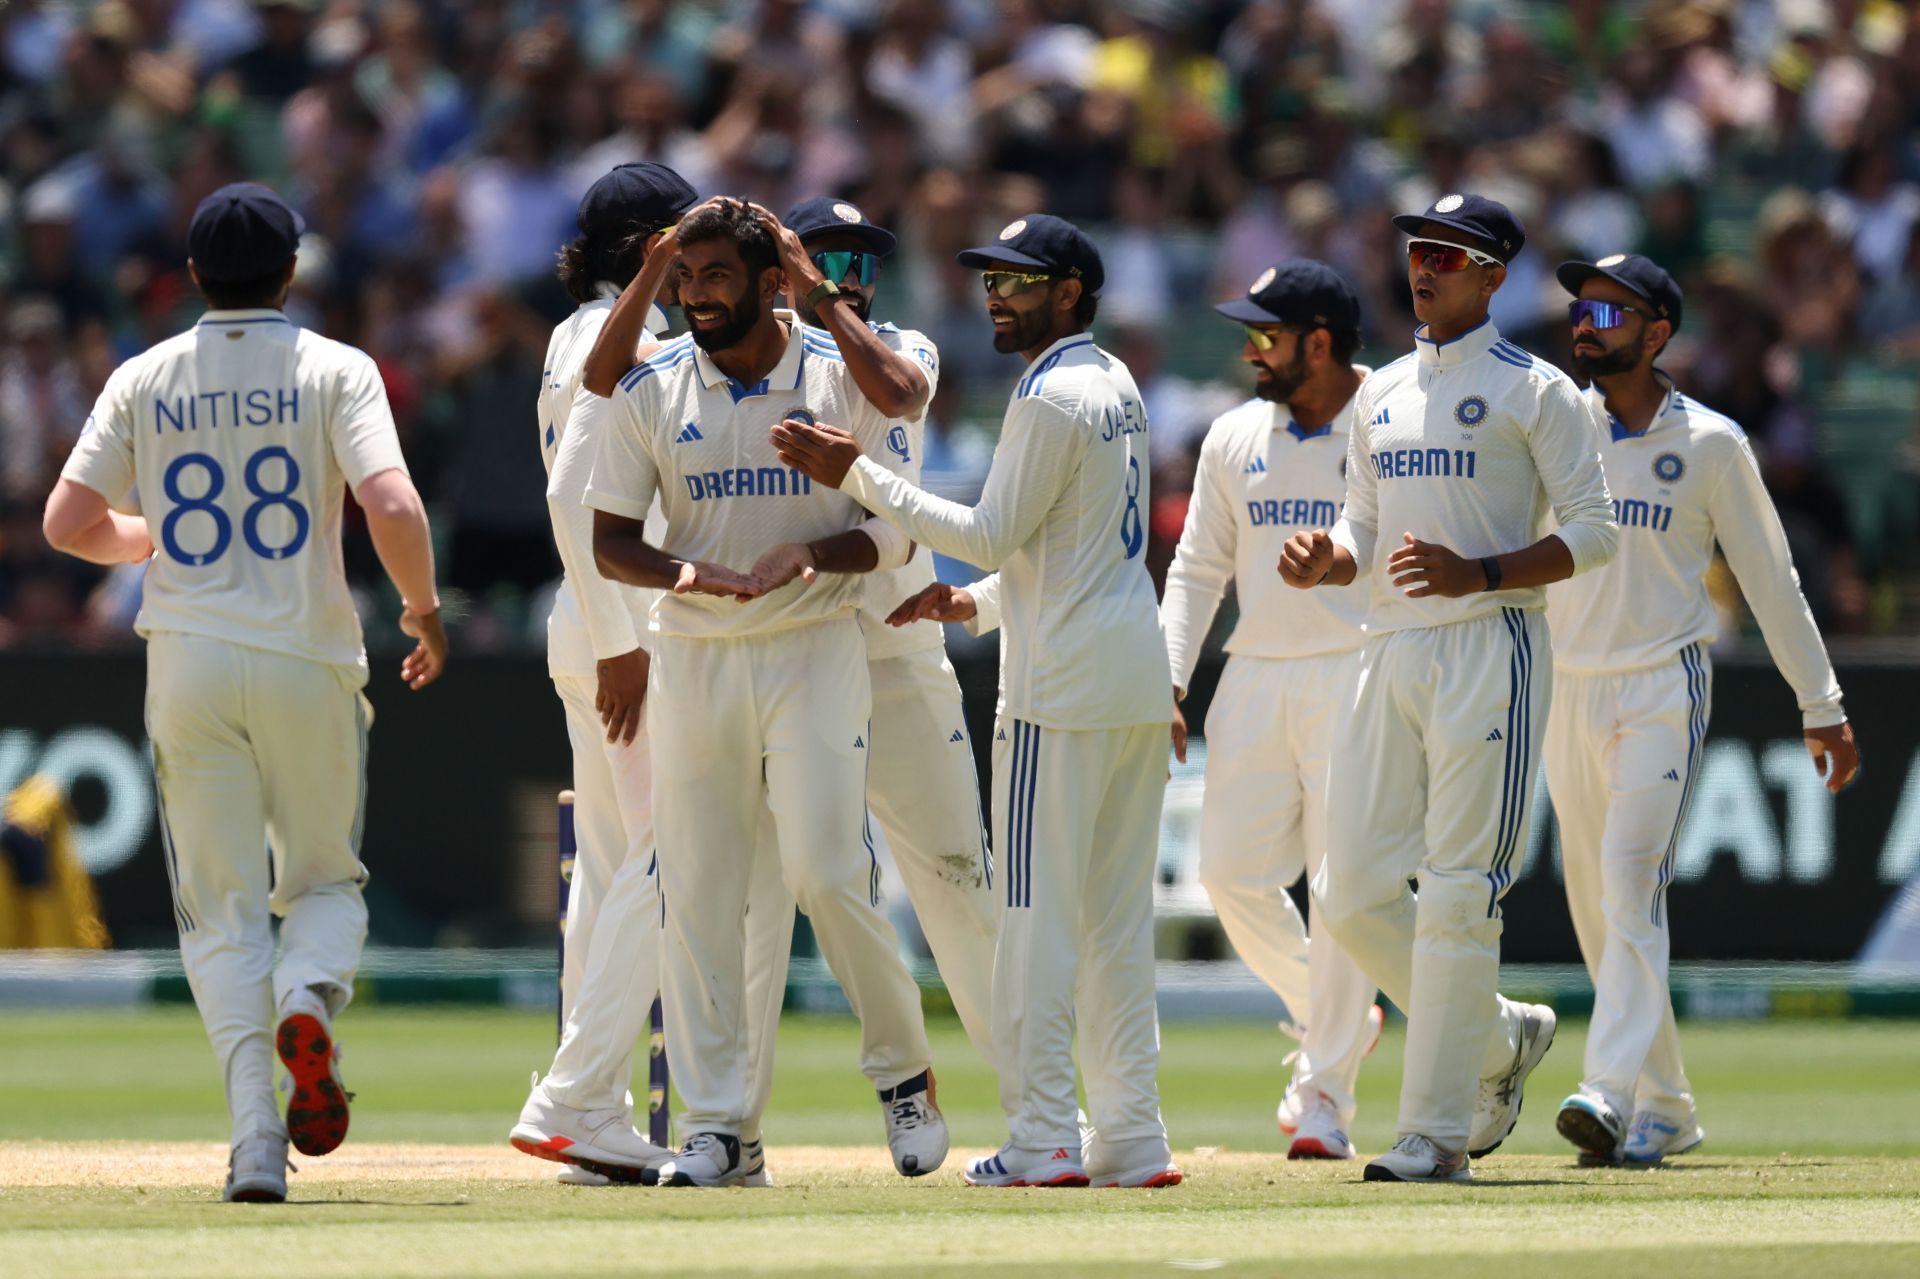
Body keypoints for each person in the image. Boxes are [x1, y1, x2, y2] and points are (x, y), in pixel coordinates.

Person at [41, 183, 446, 1203]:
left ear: (191, 278)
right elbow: (389, 498)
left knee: (219, 911)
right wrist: (425, 609)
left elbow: (65, 521)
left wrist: (144, 539)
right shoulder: (334, 366)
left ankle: (256, 1142)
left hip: (189, 655)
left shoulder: (147, 373)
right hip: (308, 653)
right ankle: (306, 996)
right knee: (321, 880)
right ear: (292, 272)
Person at [776, 214, 1180, 1190]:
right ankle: (1131, 1136)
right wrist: (973, 603)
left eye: (1020, 281)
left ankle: (1043, 1137)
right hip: (1132, 674)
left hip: (1062, 693)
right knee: (1117, 922)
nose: (998, 295)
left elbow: (992, 530)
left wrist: (854, 471)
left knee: (1036, 917)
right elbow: (1070, 547)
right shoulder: (1117, 381)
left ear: (1071, 292)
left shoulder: (1049, 394)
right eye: (992, 279)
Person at [581, 198, 946, 1188]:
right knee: (697, 894)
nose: (698, 295)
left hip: (812, 644)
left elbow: (898, 526)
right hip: (696, 656)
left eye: (717, 277)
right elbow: (610, 540)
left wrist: (811, 552)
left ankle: (905, 1077)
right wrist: (693, 578)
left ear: (768, 281)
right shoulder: (654, 384)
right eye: (685, 277)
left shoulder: (836, 374)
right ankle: (718, 1127)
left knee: (829, 872)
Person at [1279, 194, 1620, 1183]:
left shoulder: (1537, 390)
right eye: (1418, 250)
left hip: (1492, 644)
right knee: (1348, 895)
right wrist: (1328, 559)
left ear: (1493, 276)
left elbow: (1596, 531)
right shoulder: (1379, 392)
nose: (1423, 267)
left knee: (1460, 892)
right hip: (1389, 648)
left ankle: (1435, 1134)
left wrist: (1485, 571)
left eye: (1447, 255)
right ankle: (1494, 1036)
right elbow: (1365, 531)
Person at [507, 166, 791, 1189]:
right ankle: (578, 1096)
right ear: (652, 245)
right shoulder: (611, 340)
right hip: (628, 635)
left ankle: (594, 1117)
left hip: (600, 626)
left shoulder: (577, 331)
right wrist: (621, 635)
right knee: (674, 856)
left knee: (622, 874)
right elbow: (575, 495)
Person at [1545, 254, 1861, 1165]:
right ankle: (1669, 1104)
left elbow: (1772, 577)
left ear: (1658, 333)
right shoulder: (1554, 427)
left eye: (1610, 311)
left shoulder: (1714, 442)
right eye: (1581, 308)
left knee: (1632, 882)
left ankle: (1606, 1091)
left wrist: (1822, 702)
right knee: (1597, 907)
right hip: (1569, 681)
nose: (1586, 322)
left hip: (1662, 682)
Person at [1162, 261, 1382, 1161]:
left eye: (1267, 336)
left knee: (1341, 892)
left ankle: (1327, 1093)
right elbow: (1197, 569)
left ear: (1318, 342)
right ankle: (1332, 1016)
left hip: (1358, 670)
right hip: (1254, 673)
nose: (1251, 351)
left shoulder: (1389, 418)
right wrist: (1168, 678)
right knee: (1228, 876)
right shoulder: (1233, 435)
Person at [777, 196, 998, 1065]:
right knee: (807, 881)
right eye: (830, 259)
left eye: (863, 263)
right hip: (787, 654)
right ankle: (894, 1070)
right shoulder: (753, 365)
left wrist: (821, 296)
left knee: (956, 876)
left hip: (897, 652)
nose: (851, 280)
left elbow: (900, 401)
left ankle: (1042, 1111)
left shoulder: (908, 348)